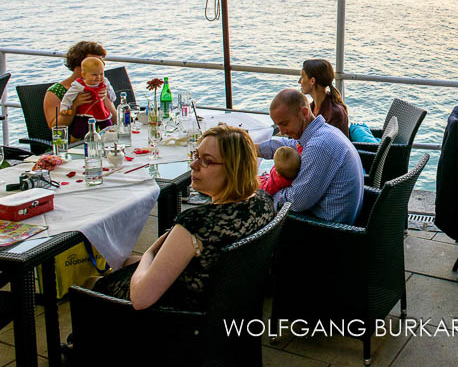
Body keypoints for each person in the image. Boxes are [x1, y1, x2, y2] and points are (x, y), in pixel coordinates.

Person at [91, 125, 275, 310]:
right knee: (126, 261)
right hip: (221, 301)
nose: (193, 165)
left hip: (178, 319)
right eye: (196, 156)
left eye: (206, 161)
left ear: (233, 169)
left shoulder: (197, 224)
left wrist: (149, 253)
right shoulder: (262, 200)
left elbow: (140, 299)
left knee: (91, 281)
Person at [257, 89, 364, 224]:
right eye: (278, 125)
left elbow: (296, 202)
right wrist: (255, 148)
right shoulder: (323, 132)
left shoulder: (319, 146)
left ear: (304, 112)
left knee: (252, 208)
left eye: (284, 124)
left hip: (327, 230)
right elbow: (291, 145)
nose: (282, 132)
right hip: (337, 217)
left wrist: (265, 193)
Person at [43, 40, 108, 140]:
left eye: (101, 62)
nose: (100, 65)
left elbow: (113, 118)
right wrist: (74, 106)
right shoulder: (56, 92)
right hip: (69, 144)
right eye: (95, 62)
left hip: (101, 138)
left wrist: (105, 99)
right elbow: (55, 128)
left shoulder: (99, 86)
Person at [59, 56, 116, 136]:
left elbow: (110, 91)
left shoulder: (104, 82)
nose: (98, 77)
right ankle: (74, 142)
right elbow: (68, 97)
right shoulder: (79, 85)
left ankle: (110, 141)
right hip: (85, 112)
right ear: (84, 74)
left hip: (101, 110)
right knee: (79, 131)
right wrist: (64, 108)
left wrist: (111, 97)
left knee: (108, 127)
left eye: (101, 74)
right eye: (94, 75)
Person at [298, 59, 350, 138]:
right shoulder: (312, 107)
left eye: (302, 77)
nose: (299, 81)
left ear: (312, 81)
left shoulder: (335, 113)